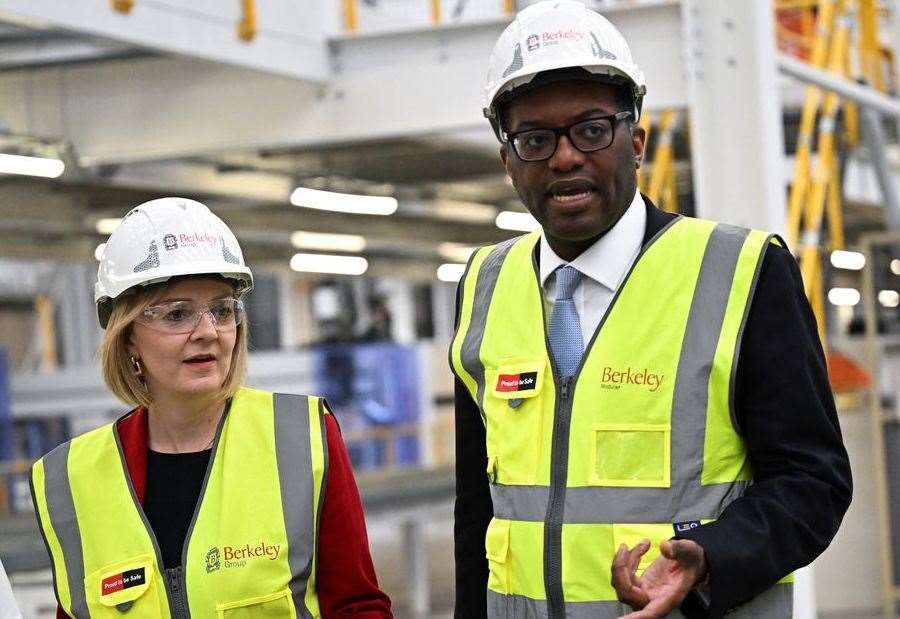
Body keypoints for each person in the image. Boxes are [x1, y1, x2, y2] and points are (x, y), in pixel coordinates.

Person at [450, 2, 851, 618]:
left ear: (634, 142)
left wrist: (711, 556)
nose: (563, 158)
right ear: (508, 161)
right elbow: (480, 503)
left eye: (590, 129)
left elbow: (812, 481)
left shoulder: (743, 273)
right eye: (535, 139)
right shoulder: (484, 285)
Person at [29, 198, 392, 618]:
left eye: (222, 309)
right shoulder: (72, 480)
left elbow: (358, 606)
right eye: (177, 313)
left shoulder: (301, 438)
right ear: (128, 337)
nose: (208, 332)